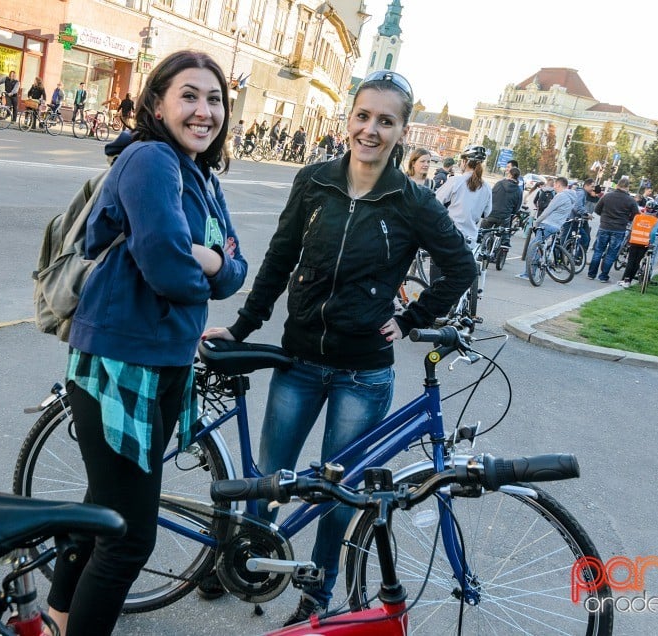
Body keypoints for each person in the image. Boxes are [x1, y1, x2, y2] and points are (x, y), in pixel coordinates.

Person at [201, 69, 477, 627]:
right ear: (348, 118)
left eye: (385, 121)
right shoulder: (314, 181)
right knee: (269, 474)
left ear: (402, 130)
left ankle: (317, 595)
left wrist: (412, 319)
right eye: (363, 116)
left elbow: (461, 268)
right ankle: (240, 560)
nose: (370, 130)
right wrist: (244, 325)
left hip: (362, 374)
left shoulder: (413, 201)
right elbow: (280, 258)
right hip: (299, 361)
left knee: (335, 493)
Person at [45, 50, 247, 636]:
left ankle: (58, 619)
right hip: (119, 364)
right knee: (131, 539)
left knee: (104, 513)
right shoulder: (151, 160)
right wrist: (210, 264)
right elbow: (166, 267)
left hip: (161, 365)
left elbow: (236, 270)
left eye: (214, 99)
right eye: (189, 95)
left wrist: (210, 260)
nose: (204, 110)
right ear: (157, 103)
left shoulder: (202, 176)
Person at [516, 176, 578, 280]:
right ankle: (544, 258)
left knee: (533, 247)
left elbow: (548, 211)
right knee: (542, 246)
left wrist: (537, 221)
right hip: (557, 226)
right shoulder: (572, 198)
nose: (554, 188)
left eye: (555, 185)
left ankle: (528, 273)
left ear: (558, 185)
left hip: (548, 224)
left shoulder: (560, 196)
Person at [435, 145, 493, 247]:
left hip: (450, 235)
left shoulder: (455, 181)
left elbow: (435, 201)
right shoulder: (487, 187)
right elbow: (486, 213)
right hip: (470, 240)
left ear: (465, 162)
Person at [586, 176, 638, 282]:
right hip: (619, 229)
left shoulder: (607, 196)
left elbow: (597, 209)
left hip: (604, 226)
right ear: (627, 188)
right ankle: (603, 276)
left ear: (617, 185)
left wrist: (605, 216)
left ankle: (591, 274)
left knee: (598, 251)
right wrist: (627, 219)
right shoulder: (630, 200)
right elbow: (636, 215)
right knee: (611, 253)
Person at [618, 201, 658, 288]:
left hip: (634, 242)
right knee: (637, 262)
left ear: (645, 208)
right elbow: (652, 234)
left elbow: (632, 228)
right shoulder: (656, 221)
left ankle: (625, 280)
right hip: (644, 244)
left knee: (630, 261)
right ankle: (629, 281)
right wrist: (651, 243)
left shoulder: (637, 217)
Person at [482, 166, 522, 235]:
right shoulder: (518, 190)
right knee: (501, 234)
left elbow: (490, 196)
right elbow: (517, 207)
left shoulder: (499, 183)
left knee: (482, 232)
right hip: (504, 217)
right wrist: (511, 212)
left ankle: (480, 241)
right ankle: (500, 241)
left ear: (509, 174)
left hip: (491, 213)